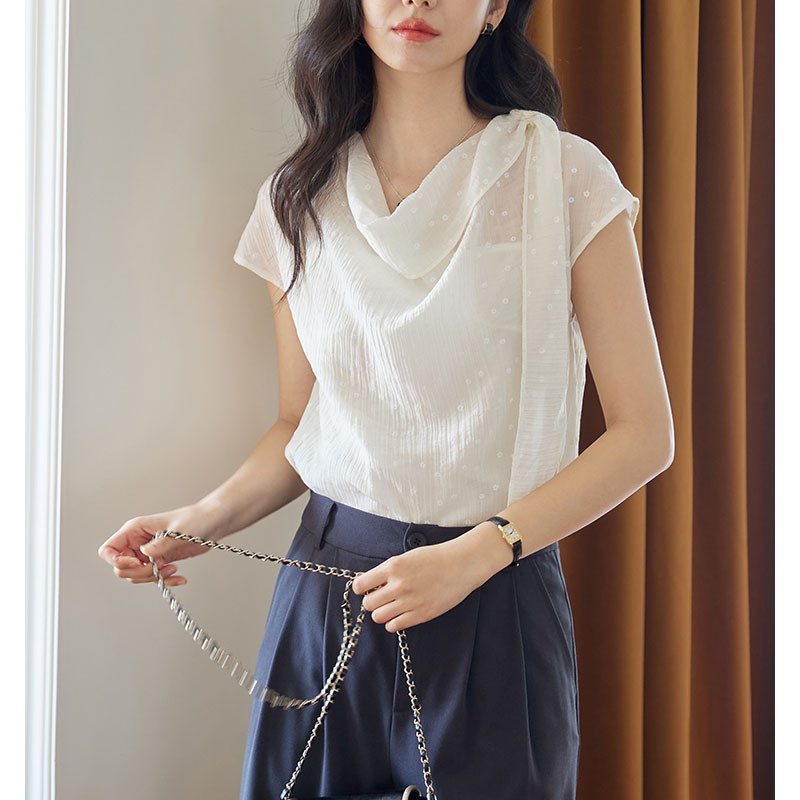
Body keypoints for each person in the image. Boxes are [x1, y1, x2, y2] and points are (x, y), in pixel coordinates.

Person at [97, 1, 674, 798]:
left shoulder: (563, 177)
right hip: (327, 594)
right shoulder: (296, 198)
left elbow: (645, 434)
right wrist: (200, 519)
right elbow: (300, 424)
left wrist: (480, 553)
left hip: (494, 593)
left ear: (494, 9)